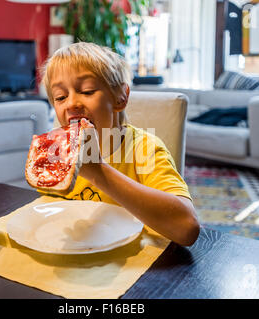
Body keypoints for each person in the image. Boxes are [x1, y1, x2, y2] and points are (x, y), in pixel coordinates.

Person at [40, 42, 200, 246]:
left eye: (88, 91)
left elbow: (187, 227)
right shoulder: (59, 153)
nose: (71, 103)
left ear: (120, 97)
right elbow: (47, 214)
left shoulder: (143, 149)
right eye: (60, 97)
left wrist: (97, 171)